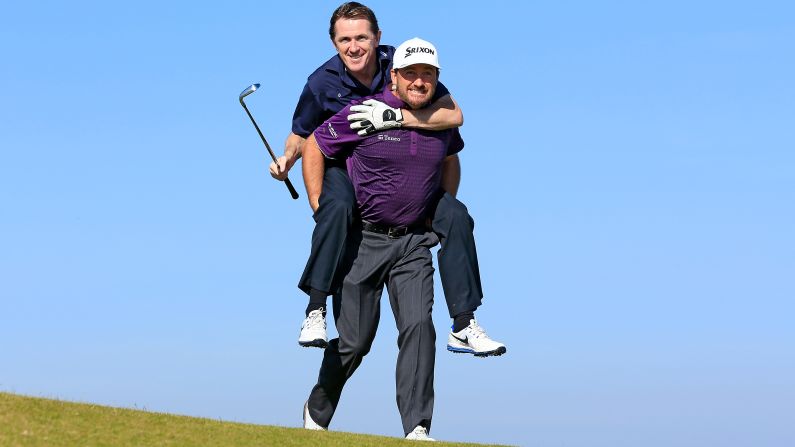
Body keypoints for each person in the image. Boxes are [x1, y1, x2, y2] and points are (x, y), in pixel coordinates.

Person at [272, 2, 504, 356]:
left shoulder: (406, 65)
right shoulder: (321, 82)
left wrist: (397, 119)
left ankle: (463, 324)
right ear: (334, 42)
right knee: (336, 207)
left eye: (362, 37)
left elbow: (454, 115)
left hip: (405, 173)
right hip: (345, 168)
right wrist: (289, 159)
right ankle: (315, 309)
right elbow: (303, 135)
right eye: (345, 39)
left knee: (456, 214)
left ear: (377, 38)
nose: (354, 47)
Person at [302, 37, 461, 441]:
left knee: (419, 328)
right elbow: (315, 143)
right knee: (355, 342)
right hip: (363, 242)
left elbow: (450, 158)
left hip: (412, 245)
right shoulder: (365, 112)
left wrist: (441, 206)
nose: (419, 81)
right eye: (411, 74)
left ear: (437, 80)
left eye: (427, 75)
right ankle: (318, 407)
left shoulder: (441, 116)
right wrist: (319, 204)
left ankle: (417, 427)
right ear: (395, 77)